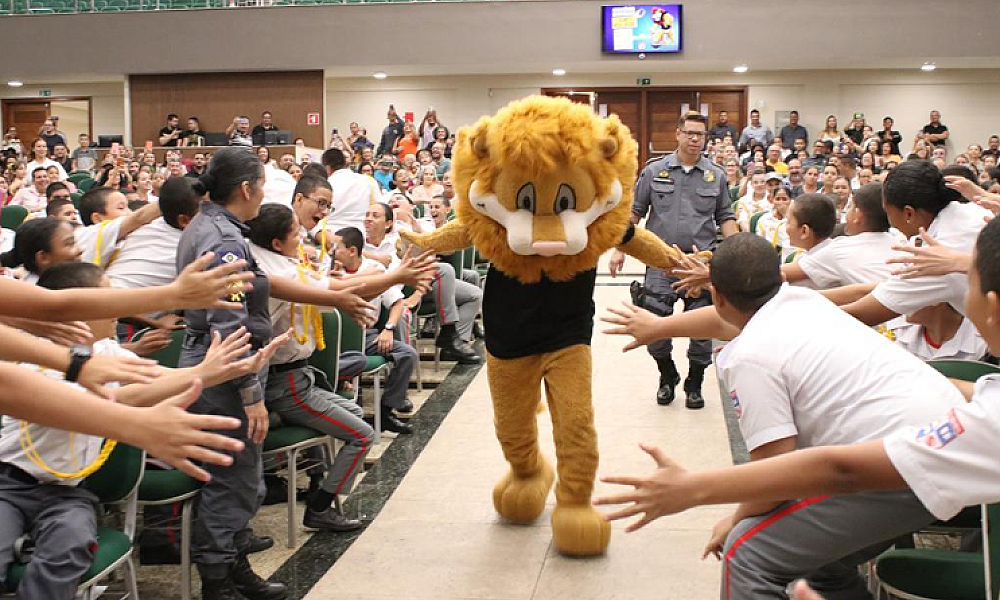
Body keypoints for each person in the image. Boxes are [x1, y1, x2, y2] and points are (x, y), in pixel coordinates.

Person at [600, 233, 966, 600]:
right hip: (951, 443)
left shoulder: (752, 358)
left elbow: (775, 470)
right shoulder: (801, 301)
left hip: (906, 466)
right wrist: (658, 327)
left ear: (719, 294)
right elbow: (728, 320)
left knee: (747, 552)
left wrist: (734, 519)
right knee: (821, 562)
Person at [0, 261, 280, 600]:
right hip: (10, 485)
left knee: (68, 548)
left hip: (68, 493)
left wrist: (219, 371)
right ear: (80, 309)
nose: (117, 308)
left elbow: (154, 379)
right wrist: (201, 376)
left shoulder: (106, 350)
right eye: (108, 298)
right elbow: (104, 402)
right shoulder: (33, 356)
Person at [174, 147, 286, 600]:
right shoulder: (223, 239)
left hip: (210, 359)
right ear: (246, 187)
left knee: (237, 476)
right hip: (224, 368)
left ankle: (231, 563)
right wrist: (249, 392)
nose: (263, 193)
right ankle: (218, 582)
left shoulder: (208, 226)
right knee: (232, 478)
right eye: (261, 184)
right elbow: (229, 321)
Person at [609, 111, 738, 409]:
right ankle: (667, 375)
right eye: (689, 133)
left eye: (700, 135)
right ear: (678, 134)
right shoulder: (655, 171)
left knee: (704, 328)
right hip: (660, 261)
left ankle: (695, 382)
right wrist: (619, 248)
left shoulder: (715, 175)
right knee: (654, 323)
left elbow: (725, 217)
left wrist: (738, 251)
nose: (695, 139)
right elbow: (635, 211)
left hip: (699, 264)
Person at [839, 161, 990, 326]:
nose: (891, 223)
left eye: (888, 213)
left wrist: (810, 310)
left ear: (908, 213)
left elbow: (863, 313)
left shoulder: (935, 258)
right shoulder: (974, 210)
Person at [364, 202, 481, 363]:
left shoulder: (401, 238)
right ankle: (448, 335)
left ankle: (456, 340)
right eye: (367, 215)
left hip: (411, 287)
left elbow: (436, 256)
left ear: (389, 223)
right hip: (384, 297)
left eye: (375, 216)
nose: (369, 219)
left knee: (473, 293)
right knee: (445, 271)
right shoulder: (357, 244)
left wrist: (417, 295)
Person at [333, 225, 420, 431]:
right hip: (334, 339)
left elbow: (398, 302)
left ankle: (387, 409)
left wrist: (388, 328)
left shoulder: (374, 271)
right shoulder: (329, 271)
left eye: (336, 248)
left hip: (365, 335)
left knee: (407, 354)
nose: (332, 253)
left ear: (352, 250)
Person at [782, 183, 900, 288]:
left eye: (850, 207)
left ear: (857, 216)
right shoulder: (897, 243)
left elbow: (775, 275)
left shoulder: (839, 250)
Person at [75, 186, 161, 269]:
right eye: (121, 208)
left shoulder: (123, 238)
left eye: (128, 207)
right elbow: (139, 217)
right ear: (97, 218)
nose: (130, 213)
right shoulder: (92, 234)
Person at [322, 147, 379, 234]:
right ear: (345, 163)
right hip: (362, 233)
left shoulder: (324, 185)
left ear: (327, 167)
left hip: (332, 234)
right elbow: (380, 208)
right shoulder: (369, 181)